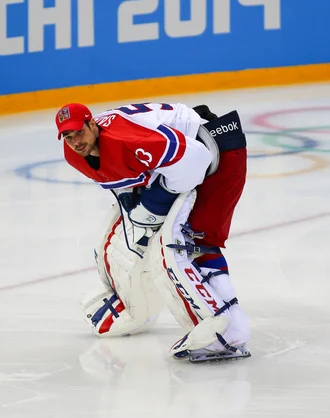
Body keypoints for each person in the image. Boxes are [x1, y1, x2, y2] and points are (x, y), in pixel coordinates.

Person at [56, 101, 250, 363]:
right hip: (190, 156)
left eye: (79, 132)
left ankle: (227, 334)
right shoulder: (77, 154)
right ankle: (231, 328)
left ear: (93, 124)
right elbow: (126, 175)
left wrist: (154, 203)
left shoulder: (125, 139)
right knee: (190, 241)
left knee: (187, 244)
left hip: (218, 152)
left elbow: (198, 159)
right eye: (68, 136)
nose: (75, 141)